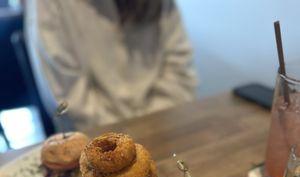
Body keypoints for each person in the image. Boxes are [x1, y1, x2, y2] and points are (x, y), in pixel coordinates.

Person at [25, 0, 198, 131]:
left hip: (163, 129)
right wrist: (124, 141)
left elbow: (179, 71)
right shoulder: (50, 5)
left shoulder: (160, 4)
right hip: (95, 142)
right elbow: (71, 103)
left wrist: (153, 124)